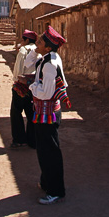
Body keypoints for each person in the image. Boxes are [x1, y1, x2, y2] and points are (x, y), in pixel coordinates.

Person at [24, 25, 67, 205]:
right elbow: (27, 64)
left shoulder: (49, 64)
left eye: (40, 42)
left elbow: (46, 93)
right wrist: (34, 52)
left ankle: (55, 190)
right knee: (44, 149)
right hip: (43, 111)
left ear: (48, 47)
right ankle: (47, 181)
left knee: (50, 152)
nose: (37, 43)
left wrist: (31, 86)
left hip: (47, 112)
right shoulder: (46, 58)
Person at [10, 30, 37, 149]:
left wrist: (16, 80)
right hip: (34, 85)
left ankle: (19, 139)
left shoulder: (23, 50)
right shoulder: (38, 50)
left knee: (16, 112)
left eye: (22, 39)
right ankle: (32, 140)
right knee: (31, 113)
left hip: (22, 85)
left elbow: (18, 69)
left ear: (26, 40)